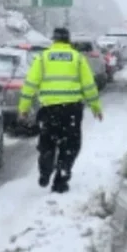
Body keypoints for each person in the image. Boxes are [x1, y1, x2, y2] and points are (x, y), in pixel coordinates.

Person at [17, 27, 103, 193]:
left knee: (47, 142)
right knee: (70, 145)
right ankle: (61, 179)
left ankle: (45, 169)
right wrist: (96, 107)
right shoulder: (77, 58)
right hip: (72, 110)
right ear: (68, 41)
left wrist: (23, 108)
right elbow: (88, 85)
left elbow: (30, 85)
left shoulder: (43, 58)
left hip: (49, 110)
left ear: (54, 40)